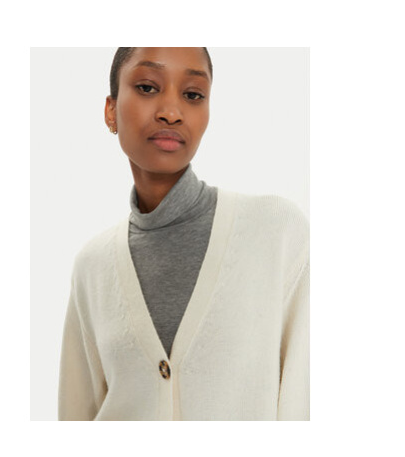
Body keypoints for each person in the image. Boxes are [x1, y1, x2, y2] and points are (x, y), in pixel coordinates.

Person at [58, 47, 310, 421]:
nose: (171, 112)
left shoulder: (276, 232)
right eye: (147, 87)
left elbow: (303, 400)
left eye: (193, 95)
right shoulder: (92, 266)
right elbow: (75, 415)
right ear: (111, 111)